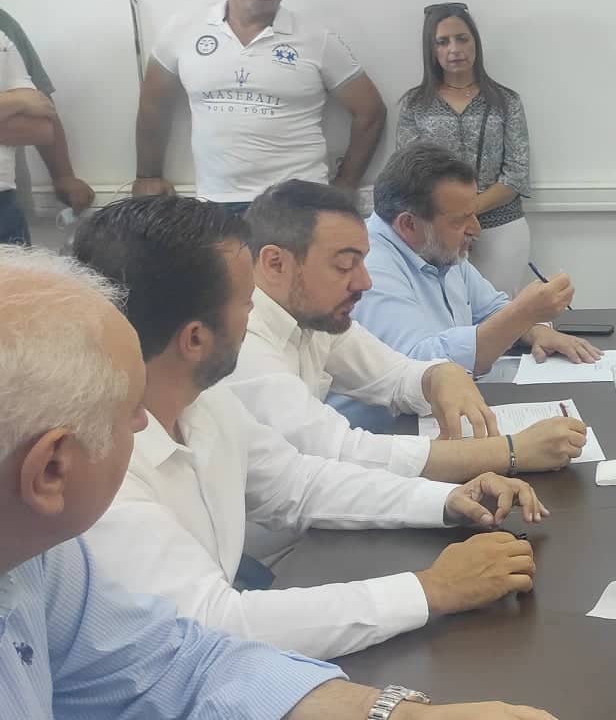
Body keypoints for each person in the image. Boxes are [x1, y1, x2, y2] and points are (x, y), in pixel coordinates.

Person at [0, 245, 555, 719]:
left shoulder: (40, 563)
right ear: (50, 471)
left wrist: (400, 713)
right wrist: (430, 589)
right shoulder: (83, 523)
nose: (141, 421)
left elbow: (183, 662)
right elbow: (217, 625)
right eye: (126, 411)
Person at [71, 195, 550, 661]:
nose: (256, 313)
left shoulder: (203, 400)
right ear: (194, 340)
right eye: (245, 302)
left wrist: (446, 501)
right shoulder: (99, 464)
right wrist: (432, 589)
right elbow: (213, 626)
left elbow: (300, 482)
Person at [230, 179, 589, 483]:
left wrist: (438, 375)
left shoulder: (313, 315)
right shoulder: (242, 346)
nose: (365, 282)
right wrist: (508, 451)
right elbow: (339, 453)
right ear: (275, 263)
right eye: (344, 266)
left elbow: (394, 374)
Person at [351, 142, 599, 425]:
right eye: (460, 220)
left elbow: (491, 309)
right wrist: (523, 313)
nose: (476, 229)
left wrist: (534, 330)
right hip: (388, 433)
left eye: (474, 213)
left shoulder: (435, 247)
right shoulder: (369, 267)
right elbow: (422, 368)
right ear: (408, 224)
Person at [131, 0, 386, 208]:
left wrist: (346, 184)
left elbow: (371, 111)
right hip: (216, 202)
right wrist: (148, 175)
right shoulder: (183, 29)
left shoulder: (316, 39)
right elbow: (153, 102)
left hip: (300, 202)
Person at [396, 3, 533, 293]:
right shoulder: (414, 104)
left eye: (462, 39)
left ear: (475, 43)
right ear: (431, 50)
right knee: (444, 310)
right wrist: (450, 216)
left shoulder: (506, 101)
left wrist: (468, 210)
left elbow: (517, 173)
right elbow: (408, 175)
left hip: (500, 226)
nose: (454, 49)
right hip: (436, 229)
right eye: (442, 42)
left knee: (500, 311)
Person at [0, 8, 96, 245]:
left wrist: (63, 176)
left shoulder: (2, 25)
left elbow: (41, 124)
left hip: (7, 204)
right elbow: (27, 103)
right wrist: (15, 102)